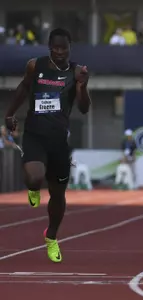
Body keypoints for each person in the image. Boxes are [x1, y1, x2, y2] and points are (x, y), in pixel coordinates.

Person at [4, 28, 91, 263]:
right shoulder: (35, 65)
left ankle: (51, 236)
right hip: (35, 134)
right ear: (49, 47)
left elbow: (84, 108)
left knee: (57, 194)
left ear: (70, 47)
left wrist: (82, 86)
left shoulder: (76, 72)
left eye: (64, 48)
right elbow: (23, 88)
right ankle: (33, 188)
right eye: (56, 48)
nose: (60, 52)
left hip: (59, 140)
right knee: (34, 176)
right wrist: (10, 113)